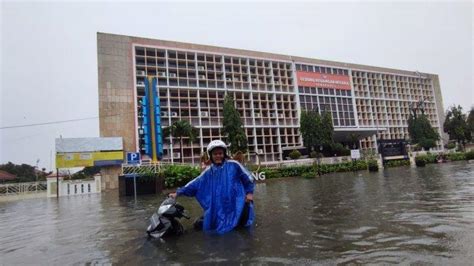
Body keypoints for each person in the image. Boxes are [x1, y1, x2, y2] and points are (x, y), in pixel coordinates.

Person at [169, 140, 255, 234]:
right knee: (222, 230)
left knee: (243, 229)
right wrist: (178, 192)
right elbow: (194, 184)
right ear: (211, 155)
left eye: (220, 153)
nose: (218, 156)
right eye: (215, 154)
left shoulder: (234, 165)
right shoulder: (208, 172)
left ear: (224, 154)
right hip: (220, 206)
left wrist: (249, 194)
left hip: (237, 203)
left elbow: (248, 178)